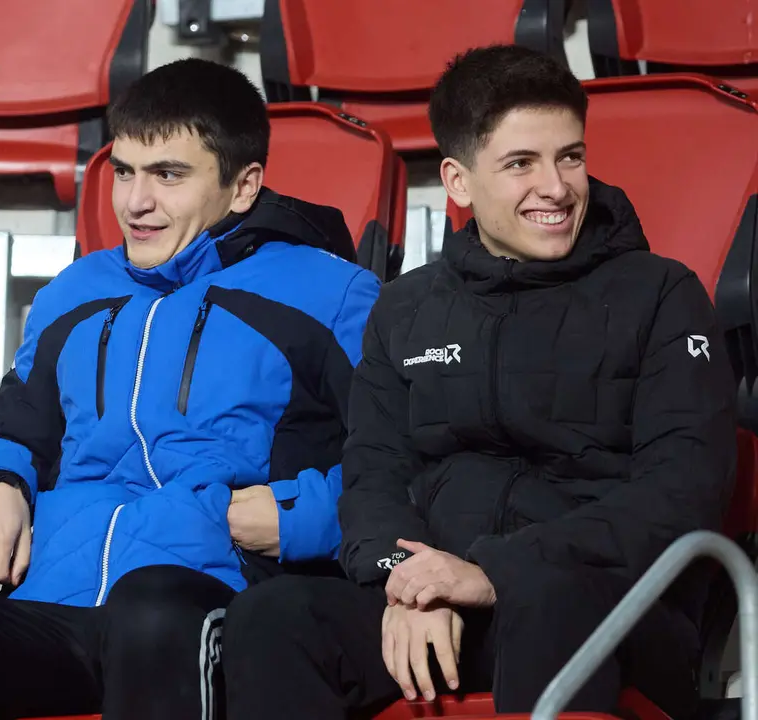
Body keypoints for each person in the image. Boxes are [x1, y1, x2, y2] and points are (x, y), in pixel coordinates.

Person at [0, 57, 380, 719]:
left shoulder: (332, 294)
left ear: (244, 185)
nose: (136, 202)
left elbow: (393, 464)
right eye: (124, 172)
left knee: (151, 608)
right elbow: (12, 428)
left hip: (210, 603)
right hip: (55, 606)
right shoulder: (76, 291)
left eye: (168, 175)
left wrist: (292, 516)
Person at [223, 44, 739, 720]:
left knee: (552, 595)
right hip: (443, 600)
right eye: (521, 163)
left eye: (570, 157)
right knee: (274, 617)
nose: (556, 187)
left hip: (604, 603)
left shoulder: (664, 295)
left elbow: (682, 491)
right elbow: (373, 477)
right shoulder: (405, 309)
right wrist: (410, 582)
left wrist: (493, 571)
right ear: (458, 182)